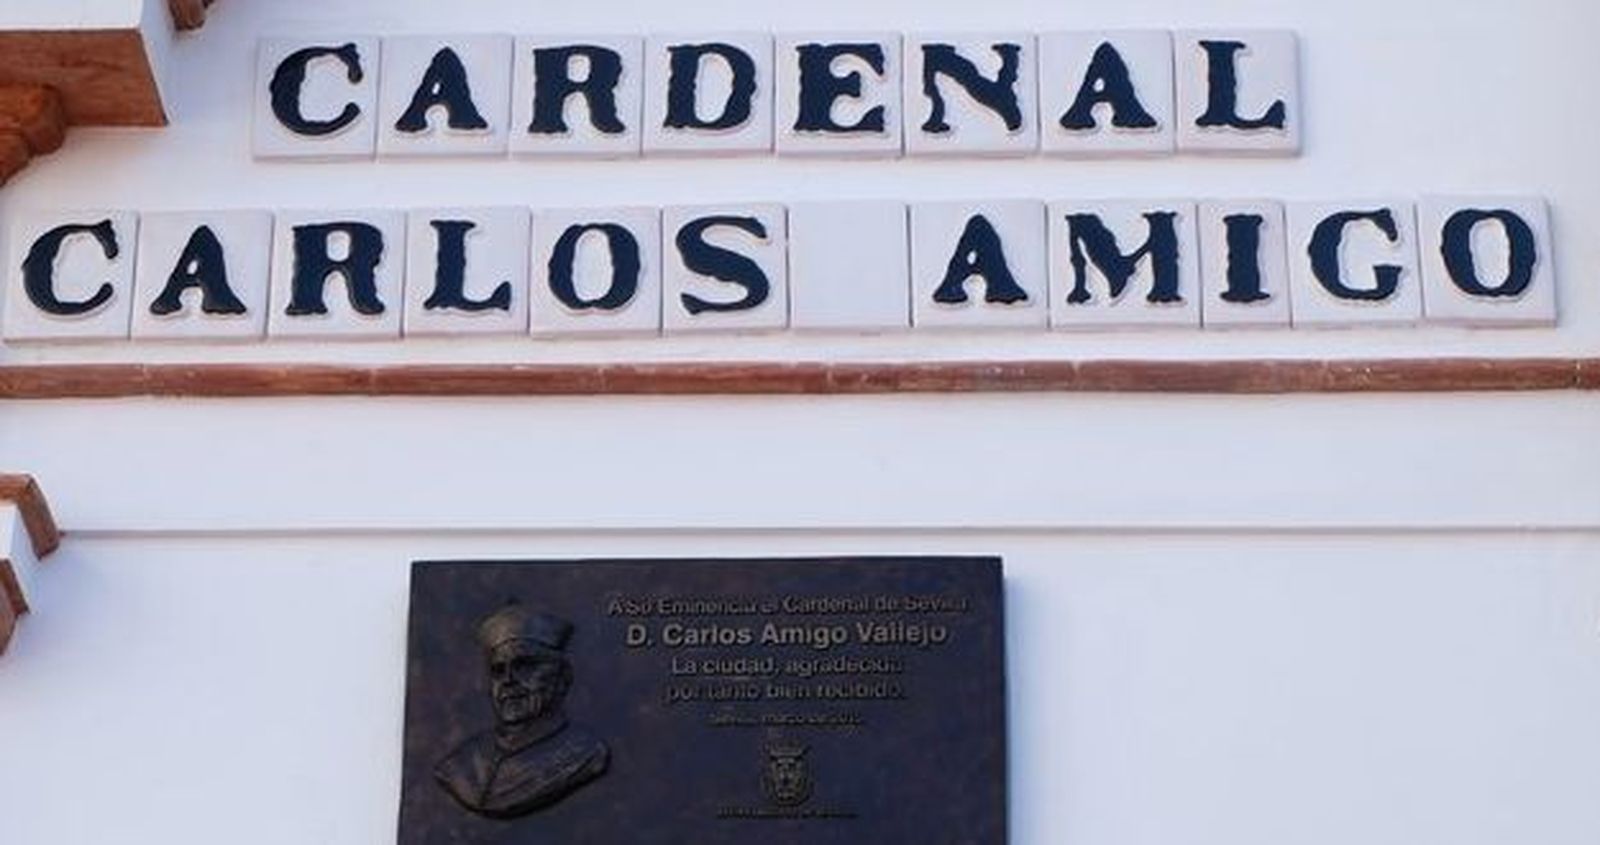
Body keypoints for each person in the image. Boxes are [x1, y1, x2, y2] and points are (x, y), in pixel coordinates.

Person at [434, 603, 610, 819]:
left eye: (524, 666)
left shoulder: (583, 754)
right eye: (498, 671)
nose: (508, 681)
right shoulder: (459, 765)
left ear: (562, 677)